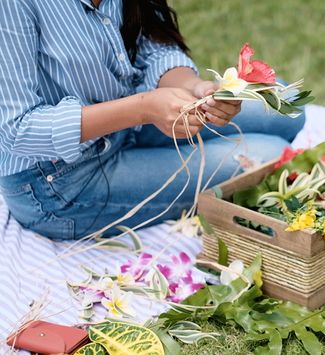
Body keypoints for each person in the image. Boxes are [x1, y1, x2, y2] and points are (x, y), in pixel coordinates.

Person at [0, 0, 305, 240]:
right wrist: (144, 109)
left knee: (285, 105)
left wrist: (194, 88)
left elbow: (153, 46)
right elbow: (15, 129)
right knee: (270, 155)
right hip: (59, 182)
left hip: (124, 126)